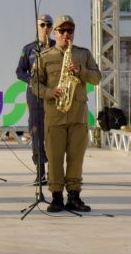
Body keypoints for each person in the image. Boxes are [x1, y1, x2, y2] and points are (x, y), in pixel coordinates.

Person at [32, 15, 100, 213]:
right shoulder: (44, 56)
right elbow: (35, 83)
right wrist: (49, 92)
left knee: (76, 158)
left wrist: (80, 70)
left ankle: (74, 195)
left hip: (78, 114)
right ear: (55, 33)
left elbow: (96, 78)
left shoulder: (83, 54)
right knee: (54, 157)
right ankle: (56, 196)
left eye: (70, 31)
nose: (66, 34)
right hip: (55, 115)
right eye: (62, 31)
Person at [16, 13, 55, 185]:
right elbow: (19, 71)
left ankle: (54, 171)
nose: (45, 28)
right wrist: (32, 81)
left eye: (48, 25)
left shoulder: (58, 47)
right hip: (35, 95)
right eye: (42, 25)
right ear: (36, 27)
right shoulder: (28, 48)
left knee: (54, 133)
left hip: (54, 95)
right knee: (37, 132)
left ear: (52, 28)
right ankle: (40, 172)